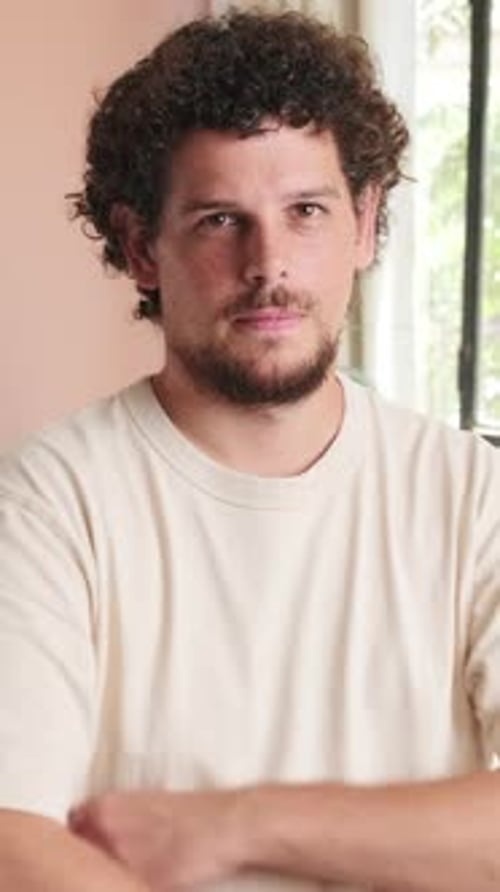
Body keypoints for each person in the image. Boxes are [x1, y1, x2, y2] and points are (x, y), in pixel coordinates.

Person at [0, 8, 499, 892]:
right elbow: (10, 838)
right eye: (220, 219)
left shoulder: (473, 495)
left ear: (366, 221)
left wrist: (233, 825)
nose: (270, 263)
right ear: (139, 246)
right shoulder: (49, 500)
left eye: (305, 210)